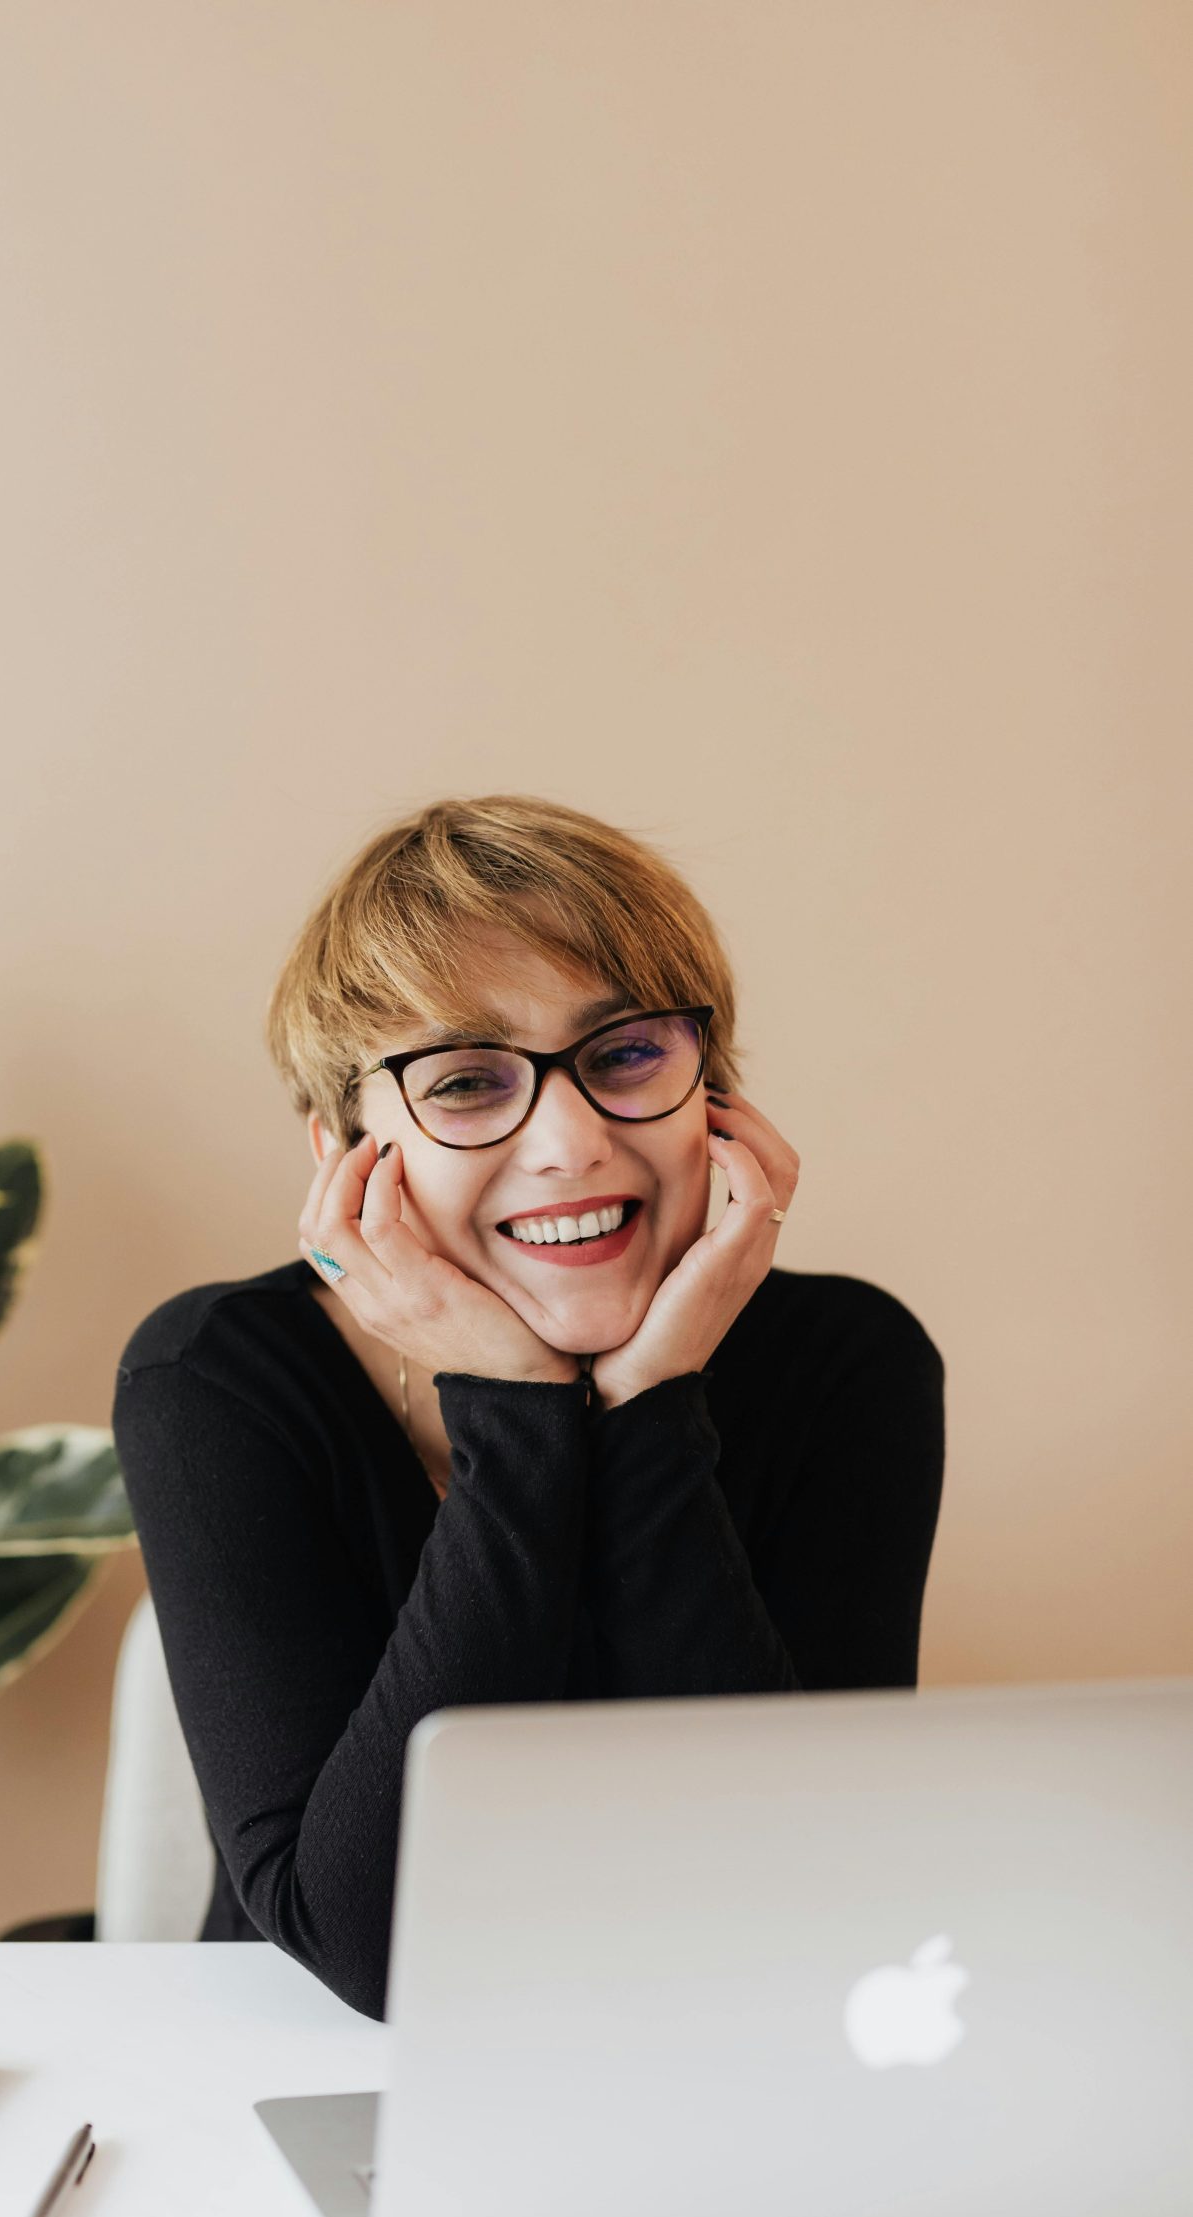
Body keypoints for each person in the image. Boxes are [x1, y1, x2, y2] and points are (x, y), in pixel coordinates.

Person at [111, 795, 946, 2021]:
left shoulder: (849, 1361)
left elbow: (806, 1889)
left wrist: (649, 1405)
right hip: (313, 2074)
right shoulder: (217, 1378)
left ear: (713, 1092)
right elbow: (370, 1948)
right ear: (347, 1149)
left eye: (623, 1056)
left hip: (716, 2048)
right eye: (463, 1082)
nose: (568, 1142)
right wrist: (514, 1409)